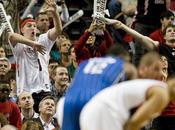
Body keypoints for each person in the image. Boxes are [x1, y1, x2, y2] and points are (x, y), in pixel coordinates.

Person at [57, 44, 137, 130]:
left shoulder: (85, 63)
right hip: (95, 103)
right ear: (125, 58)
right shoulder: (125, 65)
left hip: (68, 102)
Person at [8, 0, 62, 112]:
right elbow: (12, 36)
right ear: (22, 30)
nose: (33, 28)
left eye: (34, 26)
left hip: (44, 91)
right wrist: (33, 44)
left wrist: (55, 13)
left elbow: (58, 30)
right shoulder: (19, 46)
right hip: (26, 93)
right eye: (29, 26)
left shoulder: (43, 40)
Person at [79, 78, 175, 130]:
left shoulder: (156, 86)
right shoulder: (162, 94)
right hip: (105, 111)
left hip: (91, 109)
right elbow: (133, 124)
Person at [99, 17, 175, 76]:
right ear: (164, 37)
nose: (172, 32)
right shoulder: (161, 47)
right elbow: (141, 38)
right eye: (169, 31)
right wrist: (122, 25)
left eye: (174, 31)